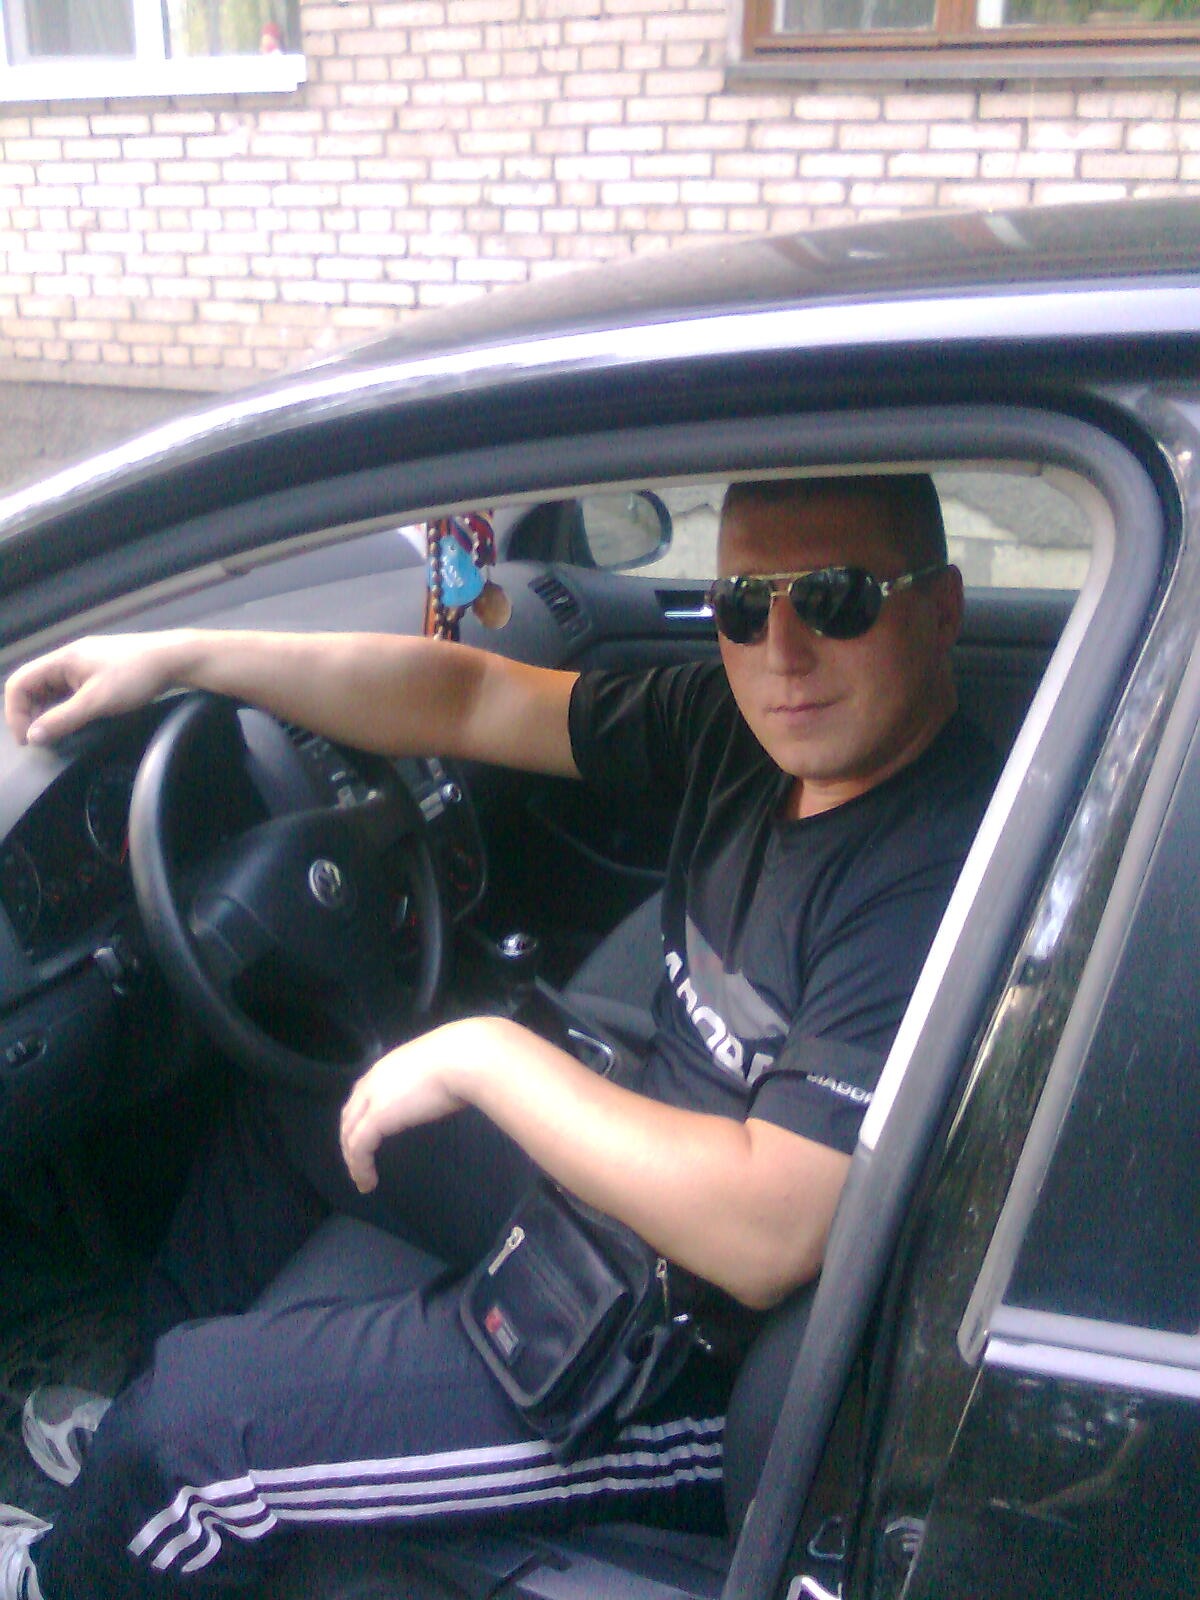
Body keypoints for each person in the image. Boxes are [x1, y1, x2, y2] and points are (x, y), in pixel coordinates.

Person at [0, 475, 998, 1597]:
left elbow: (769, 1230)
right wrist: (187, 657)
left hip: (693, 1361)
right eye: (741, 603)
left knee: (192, 1431)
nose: (783, 650)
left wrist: (487, 1054)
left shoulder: (936, 867)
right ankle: (126, 1461)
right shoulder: (740, 733)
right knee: (307, 1095)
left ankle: (87, 1543)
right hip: (630, 1193)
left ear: (941, 606)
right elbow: (470, 697)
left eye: (836, 597)